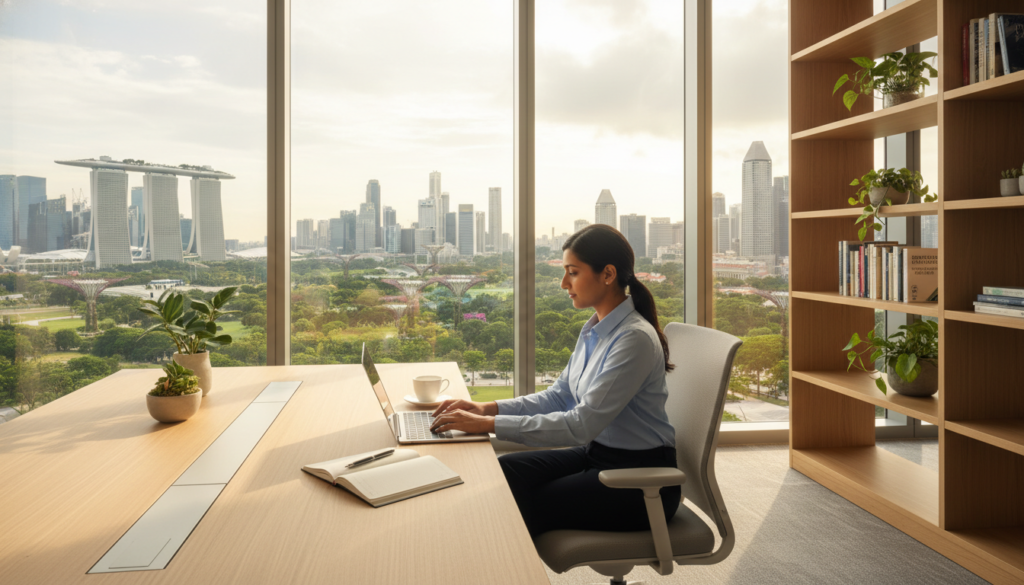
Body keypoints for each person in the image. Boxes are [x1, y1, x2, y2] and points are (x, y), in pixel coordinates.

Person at [431, 224, 679, 538]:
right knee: (507, 472)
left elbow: (580, 425)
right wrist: (486, 408)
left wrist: (488, 425)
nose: (564, 283)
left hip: (642, 480)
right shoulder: (594, 330)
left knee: (511, 504)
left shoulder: (634, 339)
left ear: (608, 274)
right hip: (598, 455)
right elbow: (558, 396)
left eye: (573, 272)